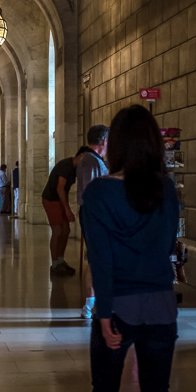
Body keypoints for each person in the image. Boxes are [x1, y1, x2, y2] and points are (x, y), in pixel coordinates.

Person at [70, 105, 179, 392]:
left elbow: (100, 259)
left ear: (113, 145)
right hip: (161, 307)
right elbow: (166, 245)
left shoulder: (99, 194)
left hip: (119, 307)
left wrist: (103, 314)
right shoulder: (166, 189)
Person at [77, 124, 109, 318]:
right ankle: (89, 304)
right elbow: (90, 191)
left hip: (94, 213)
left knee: (97, 258)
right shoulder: (90, 160)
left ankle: (93, 302)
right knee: (96, 258)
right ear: (104, 141)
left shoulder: (92, 159)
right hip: (94, 214)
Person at [41, 149, 86, 276]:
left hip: (59, 200)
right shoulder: (66, 165)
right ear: (81, 155)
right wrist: (67, 209)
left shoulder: (75, 169)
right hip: (51, 199)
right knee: (58, 231)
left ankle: (60, 260)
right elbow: (60, 188)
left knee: (66, 230)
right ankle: (55, 264)